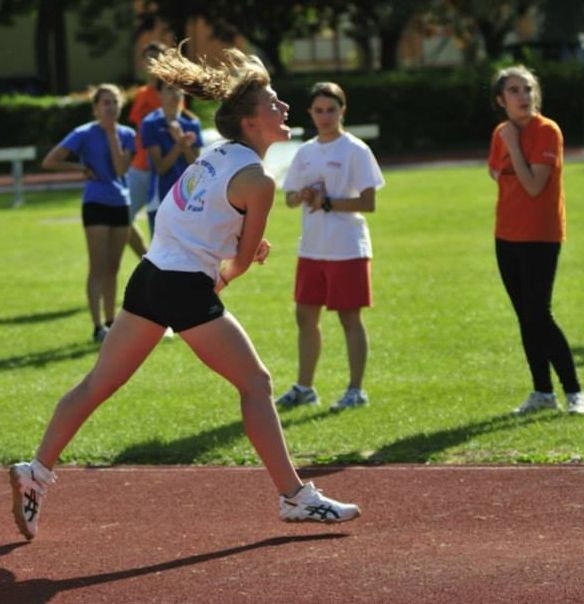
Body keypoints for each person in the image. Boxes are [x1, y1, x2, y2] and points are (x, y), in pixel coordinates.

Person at [9, 46, 361, 542]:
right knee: (256, 384)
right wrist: (229, 268)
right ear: (250, 120)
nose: (284, 108)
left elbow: (180, 219)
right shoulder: (257, 179)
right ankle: (296, 498)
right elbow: (235, 262)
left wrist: (222, 259)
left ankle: (36, 472)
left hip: (151, 276)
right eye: (274, 103)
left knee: (97, 384)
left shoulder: (214, 155)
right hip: (180, 285)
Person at [488, 65, 584, 415]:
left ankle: (575, 392)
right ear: (501, 100)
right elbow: (494, 172)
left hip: (541, 235)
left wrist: (514, 145)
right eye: (514, 91)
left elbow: (533, 186)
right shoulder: (500, 132)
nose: (523, 96)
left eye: (528, 89)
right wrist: (506, 146)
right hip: (506, 235)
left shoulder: (547, 131)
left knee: (538, 312)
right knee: (525, 316)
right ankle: (542, 392)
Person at [276, 82, 385, 412]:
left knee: (349, 318)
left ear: (342, 111)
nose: (324, 116)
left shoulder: (355, 150)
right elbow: (289, 198)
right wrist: (303, 196)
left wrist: (328, 203)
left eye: (331, 110)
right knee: (305, 317)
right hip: (311, 247)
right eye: (319, 110)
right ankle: (305, 387)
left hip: (347, 247)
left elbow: (368, 203)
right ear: (310, 113)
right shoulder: (305, 151)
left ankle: (355, 390)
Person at [42, 84, 136, 343]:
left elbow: (119, 170)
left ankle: (111, 322)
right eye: (105, 103)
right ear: (95, 108)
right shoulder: (82, 133)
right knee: (98, 266)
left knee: (114, 268)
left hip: (120, 203)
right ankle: (97, 327)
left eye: (114, 102)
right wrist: (80, 168)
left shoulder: (127, 134)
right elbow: (50, 160)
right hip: (95, 203)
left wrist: (111, 136)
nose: (110, 107)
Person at [141, 79, 202, 235]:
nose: (175, 93)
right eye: (169, 89)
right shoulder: (150, 123)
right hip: (161, 198)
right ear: (159, 94)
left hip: (188, 199)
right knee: (160, 256)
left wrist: (181, 140)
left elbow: (196, 167)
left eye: (179, 89)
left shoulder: (192, 123)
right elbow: (161, 168)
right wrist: (180, 142)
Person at [126, 41, 168, 257]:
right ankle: (146, 261)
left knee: (163, 225)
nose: (153, 62)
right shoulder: (142, 95)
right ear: (142, 63)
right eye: (149, 58)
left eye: (158, 57)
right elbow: (137, 131)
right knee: (121, 217)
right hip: (140, 167)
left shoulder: (172, 91)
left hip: (164, 169)